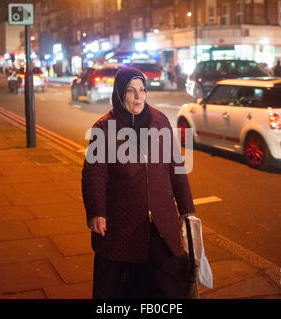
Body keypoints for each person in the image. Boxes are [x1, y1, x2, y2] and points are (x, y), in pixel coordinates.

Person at [81, 67, 195, 299]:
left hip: (161, 223)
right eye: (131, 91)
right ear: (120, 94)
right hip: (121, 224)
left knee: (168, 286)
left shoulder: (159, 120)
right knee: (119, 289)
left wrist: (186, 208)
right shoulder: (103, 128)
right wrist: (97, 212)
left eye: (141, 90)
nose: (138, 96)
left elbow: (176, 166)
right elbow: (94, 175)